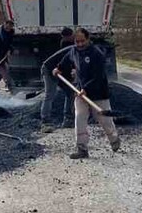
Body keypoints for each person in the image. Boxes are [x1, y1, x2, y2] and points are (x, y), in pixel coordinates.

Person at [48, 27, 121, 159]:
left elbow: (98, 75)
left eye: (82, 41)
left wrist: (87, 88)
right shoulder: (74, 51)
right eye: (77, 41)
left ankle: (114, 139)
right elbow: (66, 60)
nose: (80, 44)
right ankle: (82, 149)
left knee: (104, 120)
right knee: (80, 118)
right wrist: (58, 68)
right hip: (80, 91)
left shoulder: (96, 54)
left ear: (88, 39)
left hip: (98, 92)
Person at [38, 27, 76, 132]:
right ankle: (45, 121)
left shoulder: (75, 48)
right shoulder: (72, 49)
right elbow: (65, 64)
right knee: (50, 94)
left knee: (70, 92)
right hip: (49, 69)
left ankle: (68, 119)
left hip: (61, 71)